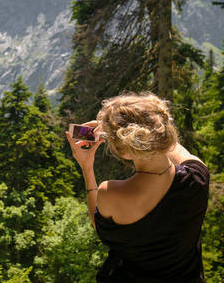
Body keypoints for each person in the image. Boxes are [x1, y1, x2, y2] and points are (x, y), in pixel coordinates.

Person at [65, 92, 209, 283]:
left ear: (123, 151)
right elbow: (175, 148)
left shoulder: (111, 192)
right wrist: (144, 125)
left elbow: (101, 228)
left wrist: (87, 166)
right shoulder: (198, 177)